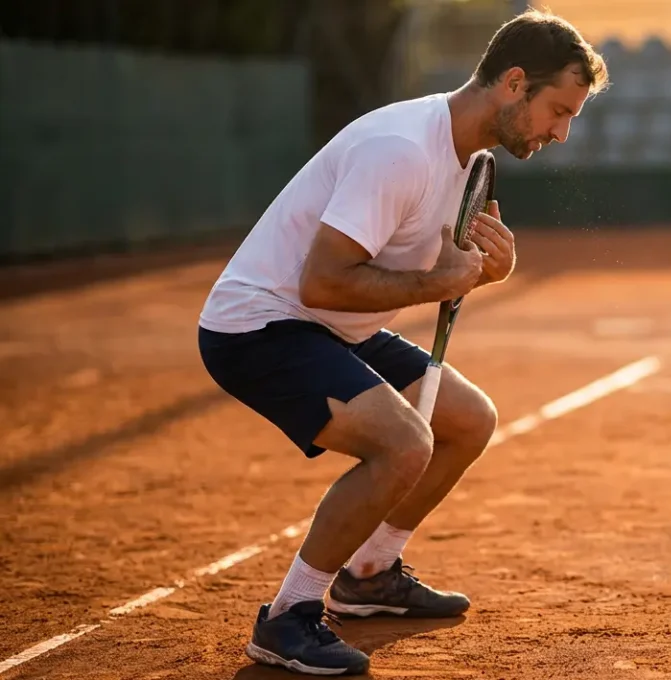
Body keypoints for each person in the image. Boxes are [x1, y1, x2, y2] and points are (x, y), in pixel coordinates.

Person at [195, 9, 608, 676]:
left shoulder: (470, 157)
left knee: (470, 421)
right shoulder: (401, 150)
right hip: (260, 327)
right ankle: (287, 617)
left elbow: (451, 260)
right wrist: (434, 280)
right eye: (557, 110)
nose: (560, 133)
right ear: (512, 83)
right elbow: (324, 280)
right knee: (405, 443)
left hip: (330, 324)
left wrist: (486, 268)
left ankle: (370, 574)